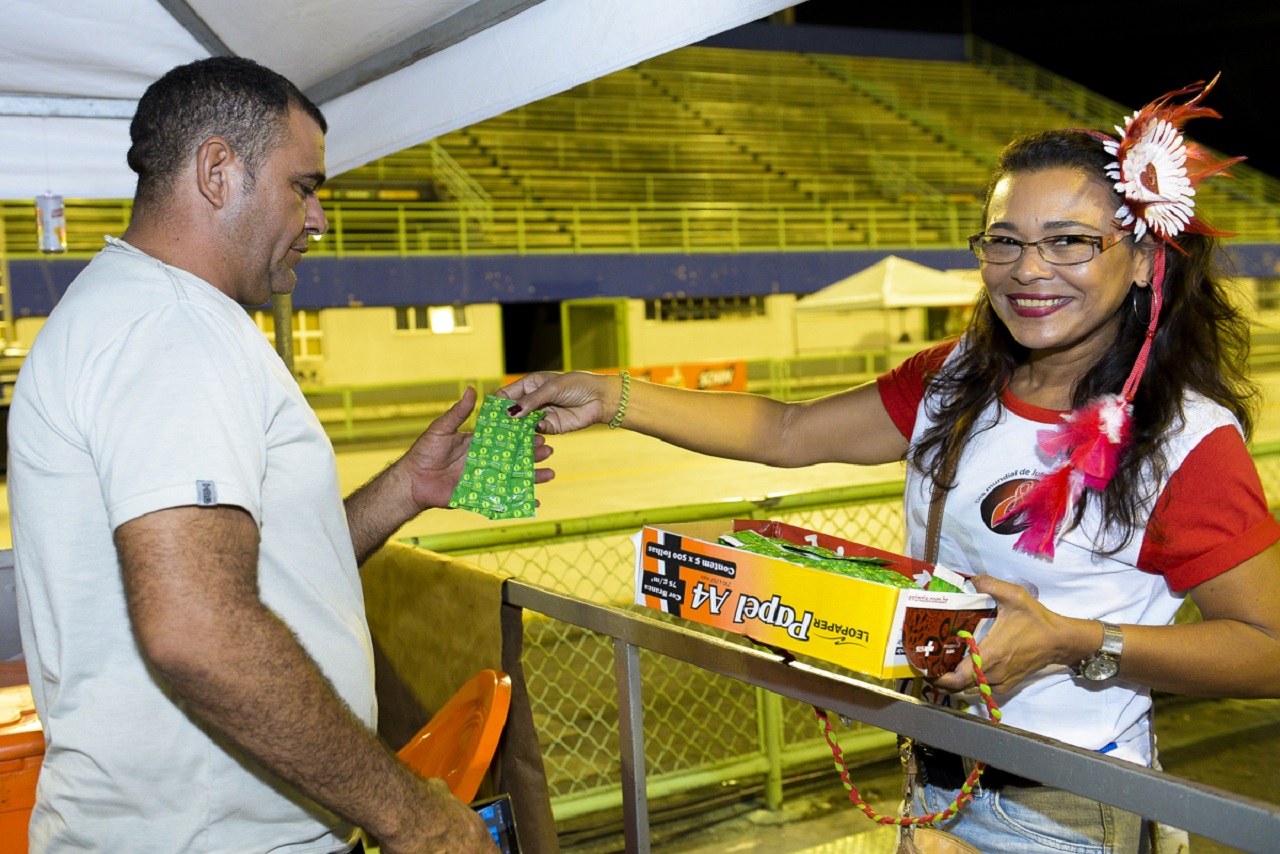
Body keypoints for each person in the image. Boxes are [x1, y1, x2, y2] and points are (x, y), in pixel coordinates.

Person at [499, 79, 1280, 851]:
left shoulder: (1185, 440)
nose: (1028, 269)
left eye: (1069, 241)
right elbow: (787, 431)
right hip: (930, 779)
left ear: (1143, 259)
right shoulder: (956, 378)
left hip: (1070, 809)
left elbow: (1267, 649)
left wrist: (1072, 639)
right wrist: (612, 395)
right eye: (1004, 240)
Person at [7, 57, 546, 853]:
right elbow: (198, 627)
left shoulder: (147, 311)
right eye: (304, 185)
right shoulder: (168, 329)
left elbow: (260, 570)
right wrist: (409, 814)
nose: (320, 217)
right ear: (219, 171)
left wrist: (405, 488)